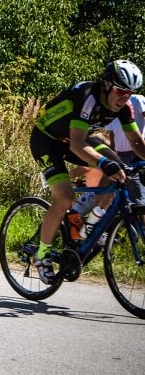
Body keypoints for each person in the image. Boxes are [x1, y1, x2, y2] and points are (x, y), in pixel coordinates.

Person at [30, 59, 145, 284]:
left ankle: (90, 227)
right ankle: (41, 254)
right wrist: (104, 164)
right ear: (106, 85)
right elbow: (77, 145)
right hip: (47, 140)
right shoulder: (87, 98)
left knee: (119, 172)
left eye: (130, 92)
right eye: (121, 90)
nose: (125, 97)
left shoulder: (126, 107)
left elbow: (138, 144)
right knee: (65, 196)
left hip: (75, 137)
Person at [107, 92, 145, 206]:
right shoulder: (111, 106)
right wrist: (112, 154)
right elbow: (111, 134)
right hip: (120, 156)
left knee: (138, 193)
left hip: (138, 153)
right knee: (127, 195)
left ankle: (141, 224)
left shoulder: (137, 99)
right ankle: (133, 222)